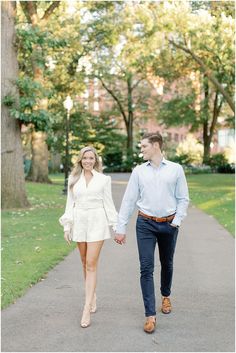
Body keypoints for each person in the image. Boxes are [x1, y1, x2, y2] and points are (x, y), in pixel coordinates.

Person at [114, 132, 189, 334]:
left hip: (169, 224)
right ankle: (150, 315)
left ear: (156, 145)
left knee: (167, 263)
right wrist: (120, 227)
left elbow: (183, 198)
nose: (142, 150)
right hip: (145, 223)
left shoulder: (175, 169)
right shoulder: (139, 171)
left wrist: (177, 220)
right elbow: (129, 200)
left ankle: (165, 295)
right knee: (146, 268)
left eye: (144, 146)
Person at [59, 146, 117, 328]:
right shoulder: (73, 179)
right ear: (80, 160)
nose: (88, 161)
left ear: (96, 160)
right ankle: (92, 295)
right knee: (84, 262)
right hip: (79, 222)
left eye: (91, 158)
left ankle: (86, 307)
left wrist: (116, 226)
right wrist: (67, 227)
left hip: (97, 223)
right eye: (85, 158)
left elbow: (109, 204)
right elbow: (70, 204)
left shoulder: (104, 180)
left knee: (91, 264)